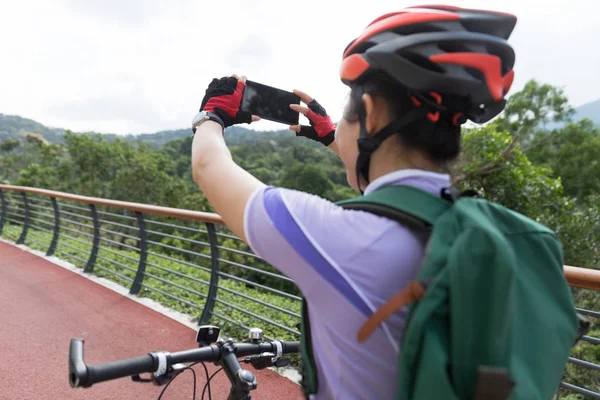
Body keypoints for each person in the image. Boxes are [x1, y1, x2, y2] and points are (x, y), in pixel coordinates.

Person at [190, 5, 516, 399]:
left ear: (372, 114)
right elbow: (398, 202)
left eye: (347, 115)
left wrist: (211, 115)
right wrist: (335, 139)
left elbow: (208, 166)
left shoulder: (337, 237)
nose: (339, 128)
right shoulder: (476, 229)